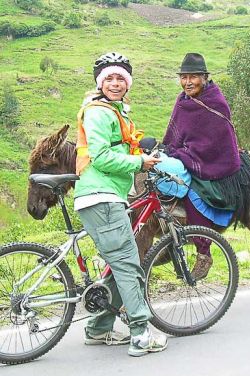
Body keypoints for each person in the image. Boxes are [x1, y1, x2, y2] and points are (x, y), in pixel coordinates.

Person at [74, 52, 167, 357]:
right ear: (100, 83)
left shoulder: (116, 112)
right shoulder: (99, 112)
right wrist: (140, 162)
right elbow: (100, 157)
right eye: (109, 78)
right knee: (128, 265)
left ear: (128, 84)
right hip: (100, 195)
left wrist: (145, 155)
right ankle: (141, 334)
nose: (115, 83)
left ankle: (99, 329)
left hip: (107, 194)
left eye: (120, 78)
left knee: (118, 264)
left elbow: (122, 146)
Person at [163, 53, 250, 280]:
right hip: (189, 156)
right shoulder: (183, 101)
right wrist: (171, 151)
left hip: (215, 163)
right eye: (184, 77)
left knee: (192, 194)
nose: (188, 82)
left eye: (193, 76)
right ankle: (169, 246)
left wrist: (184, 154)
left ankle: (203, 252)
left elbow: (214, 144)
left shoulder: (216, 103)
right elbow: (175, 135)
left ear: (204, 78)